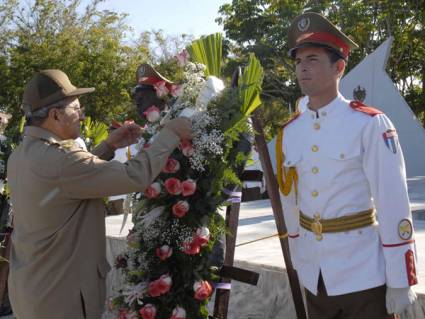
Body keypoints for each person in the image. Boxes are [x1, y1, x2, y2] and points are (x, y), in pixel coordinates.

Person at [7, 69, 191, 319]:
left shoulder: (22, 154)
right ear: (55, 115)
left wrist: (108, 146)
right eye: (77, 109)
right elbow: (134, 176)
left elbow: (69, 183)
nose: (82, 117)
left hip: (33, 291)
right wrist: (171, 133)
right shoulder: (63, 161)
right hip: (62, 299)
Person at [277, 12, 417, 319]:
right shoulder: (290, 132)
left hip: (363, 274)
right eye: (298, 61)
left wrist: (400, 279)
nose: (302, 68)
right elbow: (291, 201)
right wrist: (300, 260)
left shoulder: (368, 124)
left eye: (312, 59)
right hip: (315, 276)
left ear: (339, 66)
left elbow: (393, 201)